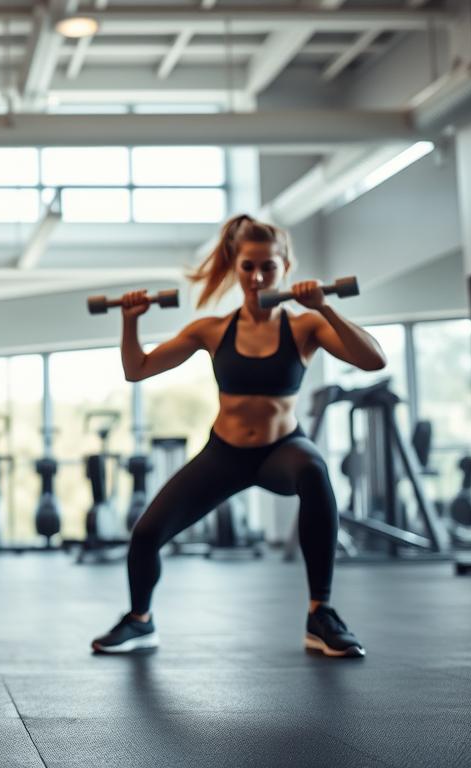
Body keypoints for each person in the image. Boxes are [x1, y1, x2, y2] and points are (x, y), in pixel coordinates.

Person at [91, 214, 385, 659]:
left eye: (268, 265)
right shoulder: (211, 329)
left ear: (286, 266)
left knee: (314, 470)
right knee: (147, 532)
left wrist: (324, 306)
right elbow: (138, 370)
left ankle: (320, 614)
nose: (258, 276)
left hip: (280, 451)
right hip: (224, 454)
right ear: (235, 268)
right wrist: (130, 321)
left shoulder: (304, 327)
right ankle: (139, 621)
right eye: (248, 266)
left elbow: (374, 360)